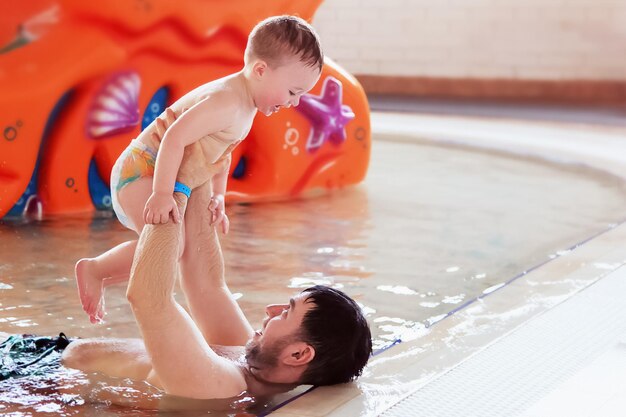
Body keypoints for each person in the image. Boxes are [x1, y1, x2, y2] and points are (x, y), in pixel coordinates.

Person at [61, 140, 372, 403]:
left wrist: (176, 186)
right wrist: (203, 154)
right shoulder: (250, 356)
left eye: (286, 313)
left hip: (43, 387)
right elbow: (208, 283)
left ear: (298, 355)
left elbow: (148, 297)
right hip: (48, 359)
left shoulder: (215, 385)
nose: (270, 310)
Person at [75, 15, 324, 323]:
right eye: (292, 92)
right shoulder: (226, 101)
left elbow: (222, 152)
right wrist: (162, 192)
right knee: (170, 248)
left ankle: (102, 273)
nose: (295, 103)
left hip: (158, 172)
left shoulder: (245, 105)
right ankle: (95, 269)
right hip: (142, 170)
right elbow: (174, 137)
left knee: (171, 252)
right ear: (261, 70)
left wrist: (218, 196)